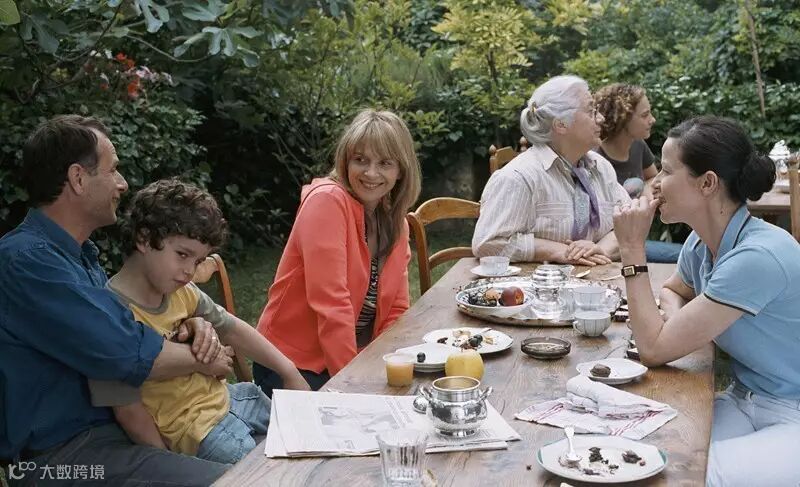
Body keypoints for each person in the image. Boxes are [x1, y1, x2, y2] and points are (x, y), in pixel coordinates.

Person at [0, 115, 230, 485]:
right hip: (61, 458)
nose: (122, 183)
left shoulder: (78, 257)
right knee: (242, 480)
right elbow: (124, 352)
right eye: (113, 170)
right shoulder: (28, 262)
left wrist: (192, 327)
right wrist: (206, 358)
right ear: (78, 179)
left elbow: (129, 335)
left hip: (113, 432)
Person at [613, 116, 800, 486]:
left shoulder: (757, 256)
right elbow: (672, 290)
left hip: (792, 413)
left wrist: (632, 248)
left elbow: (653, 348)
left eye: (666, 171)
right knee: (646, 452)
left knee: (687, 476)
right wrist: (680, 326)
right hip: (743, 399)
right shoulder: (702, 244)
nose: (655, 182)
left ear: (708, 183)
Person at [89, 179, 310, 465]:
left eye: (198, 261)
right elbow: (127, 409)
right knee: (276, 474)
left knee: (311, 434)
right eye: (182, 255)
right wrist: (169, 465)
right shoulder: (109, 314)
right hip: (197, 432)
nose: (189, 271)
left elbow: (231, 328)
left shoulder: (182, 291)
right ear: (143, 239)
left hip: (234, 399)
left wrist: (289, 371)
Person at [254, 109, 422, 396]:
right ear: (346, 161)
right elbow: (332, 306)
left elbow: (396, 309)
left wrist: (384, 365)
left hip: (354, 356)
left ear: (401, 171)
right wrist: (354, 385)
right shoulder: (327, 202)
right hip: (292, 365)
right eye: (360, 160)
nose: (371, 173)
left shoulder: (395, 223)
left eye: (385, 163)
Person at [472, 75, 631, 265]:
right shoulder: (519, 177)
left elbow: (630, 221)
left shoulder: (601, 167)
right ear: (561, 124)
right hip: (537, 283)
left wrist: (599, 250)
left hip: (598, 280)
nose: (601, 118)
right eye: (591, 111)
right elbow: (487, 242)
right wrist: (560, 251)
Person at [595, 83, 682, 263]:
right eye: (645, 115)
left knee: (687, 254)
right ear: (623, 118)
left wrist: (645, 196)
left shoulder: (638, 146)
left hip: (634, 240)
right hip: (604, 247)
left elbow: (652, 178)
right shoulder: (595, 157)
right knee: (682, 256)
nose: (652, 120)